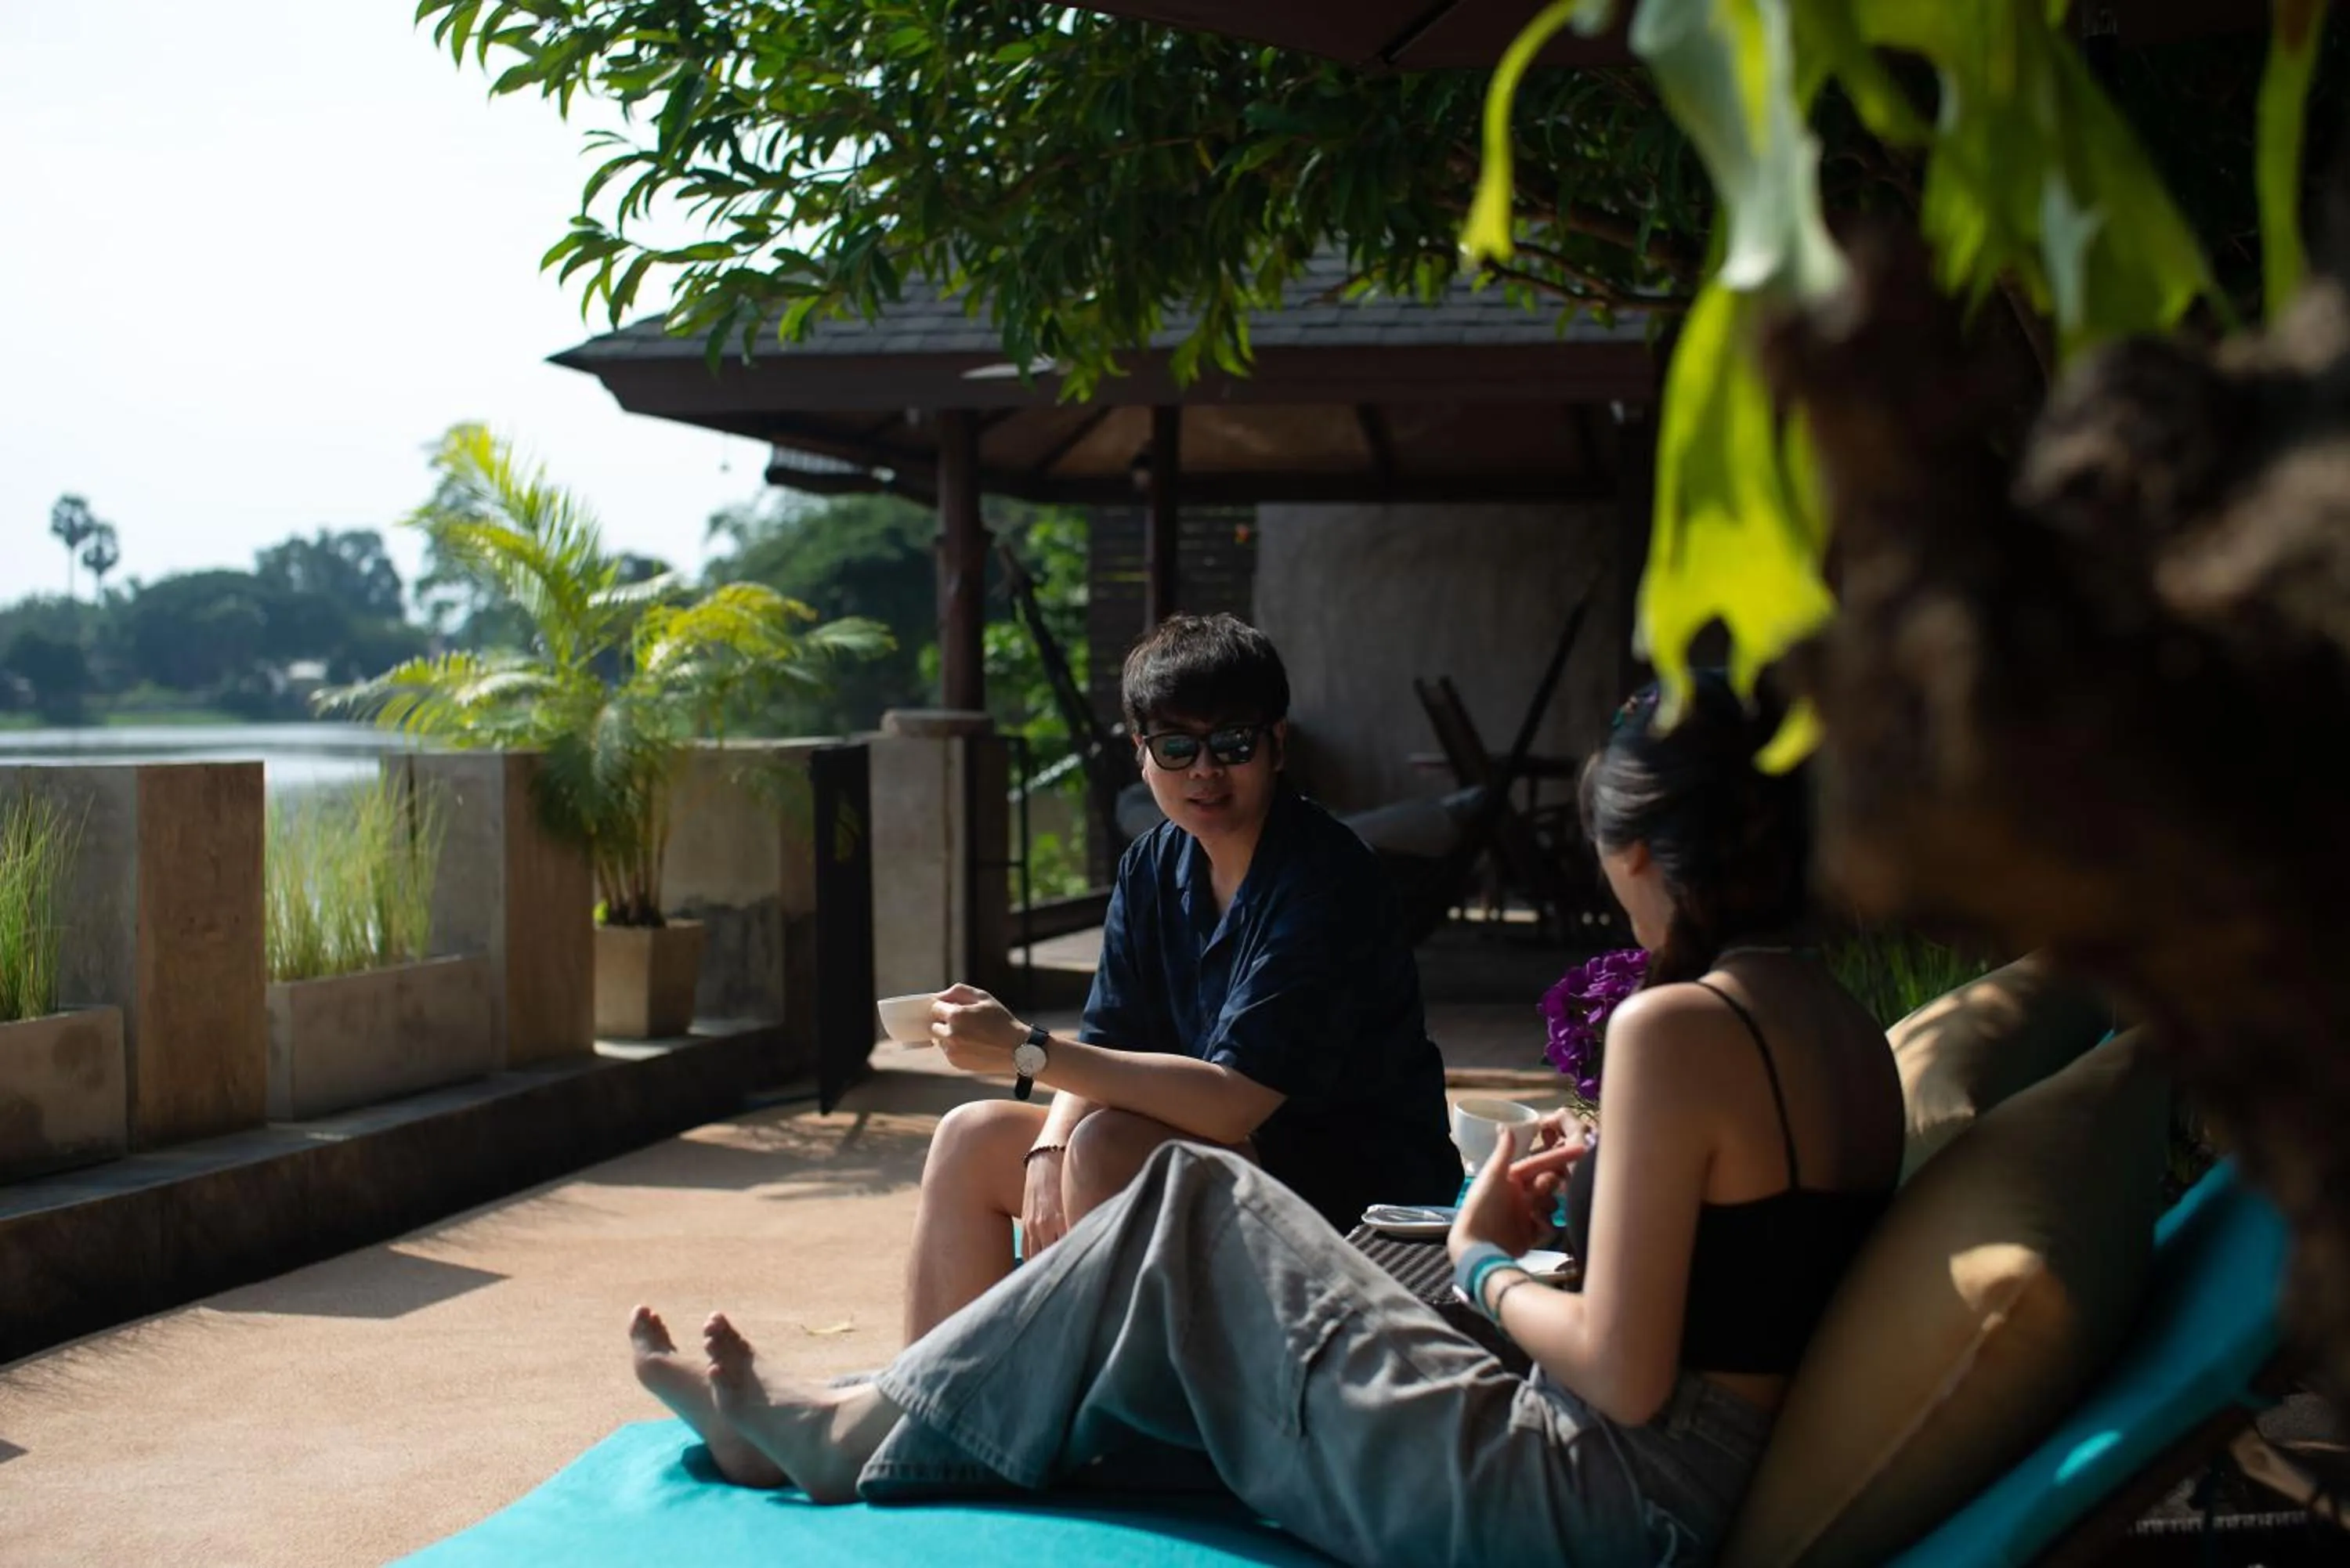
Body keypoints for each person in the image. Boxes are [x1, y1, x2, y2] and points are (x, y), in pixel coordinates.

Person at [627, 669, 1905, 1566]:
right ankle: (865, 1412)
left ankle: (840, 1434)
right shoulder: (1841, 1025)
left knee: (1192, 1192)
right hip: (1648, 1487)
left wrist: (1485, 1258)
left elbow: (1622, 1372)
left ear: (1636, 849)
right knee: (1145, 1177)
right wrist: (1580, 1206)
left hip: (1582, 1500)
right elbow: (1740, 1285)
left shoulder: (1676, 1026)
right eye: (1173, 747)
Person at [895, 612, 1461, 1341]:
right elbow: (1109, 1042)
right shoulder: (1153, 865)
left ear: (1277, 743)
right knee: (973, 1137)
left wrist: (1023, 1050)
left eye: (1232, 743)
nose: (1204, 770)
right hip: (1237, 1170)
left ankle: (1110, 1402)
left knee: (1107, 1146)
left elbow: (1233, 1105)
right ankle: (924, 1400)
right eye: (1176, 747)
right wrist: (1045, 1148)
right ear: (1142, 755)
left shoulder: (1326, 880)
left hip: (1355, 1198)